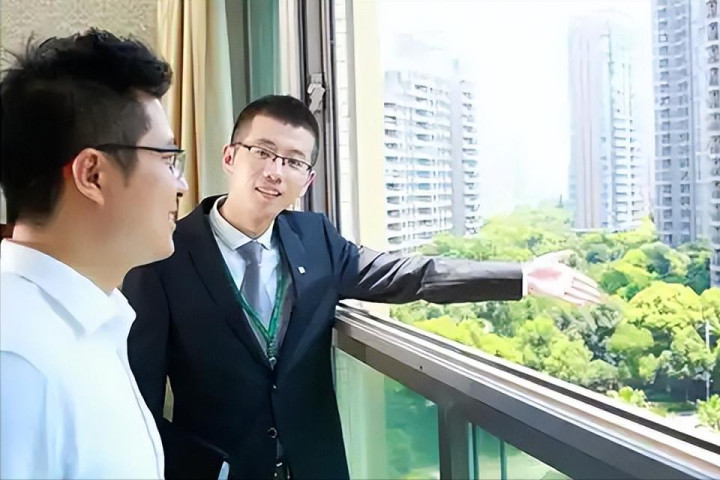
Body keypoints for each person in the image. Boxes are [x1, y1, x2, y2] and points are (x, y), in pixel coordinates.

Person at [124, 95, 601, 479]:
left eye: (292, 161)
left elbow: (411, 274)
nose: (275, 171)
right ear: (231, 156)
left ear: (307, 180)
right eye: (263, 152)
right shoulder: (163, 256)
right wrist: (204, 469)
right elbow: (135, 397)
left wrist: (522, 276)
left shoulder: (316, 240)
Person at [0, 29, 188, 479]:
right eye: (167, 159)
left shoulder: (95, 316)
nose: (180, 185)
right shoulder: (17, 364)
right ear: (92, 174)